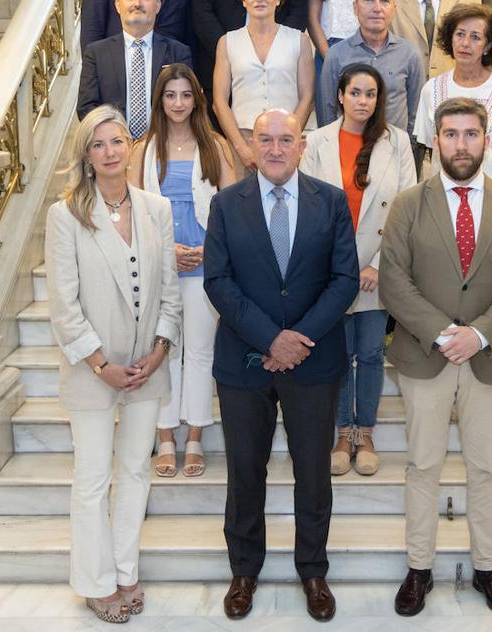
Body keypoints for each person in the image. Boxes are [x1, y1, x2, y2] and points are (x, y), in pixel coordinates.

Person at [378, 97, 492, 619]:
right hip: (426, 355)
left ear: (485, 139)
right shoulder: (408, 204)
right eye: (451, 134)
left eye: (471, 134)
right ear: (436, 139)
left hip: (488, 359)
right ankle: (419, 568)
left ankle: (486, 568)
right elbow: (393, 281)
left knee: (485, 469)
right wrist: (445, 332)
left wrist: (481, 334)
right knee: (423, 465)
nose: (461, 145)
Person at [203, 108, 359, 623]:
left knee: (313, 474)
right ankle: (244, 571)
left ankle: (313, 571)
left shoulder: (331, 202)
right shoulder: (227, 205)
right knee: (245, 473)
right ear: (250, 145)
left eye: (284, 139)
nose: (274, 148)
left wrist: (299, 339)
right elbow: (218, 281)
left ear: (301, 146)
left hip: (314, 362)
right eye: (264, 139)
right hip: (245, 362)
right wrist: (271, 338)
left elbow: (344, 280)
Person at [44, 105, 181, 624]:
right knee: (93, 477)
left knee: (135, 471)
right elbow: (64, 305)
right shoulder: (66, 215)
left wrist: (160, 349)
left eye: (117, 141)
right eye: (98, 144)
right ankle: (95, 582)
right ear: (86, 154)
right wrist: (101, 364)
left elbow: (170, 290)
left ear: (131, 147)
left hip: (148, 367)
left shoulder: (156, 209)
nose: (109, 152)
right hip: (92, 372)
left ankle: (126, 569)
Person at [300, 64, 416, 478]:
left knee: (369, 354)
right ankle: (341, 434)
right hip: (332, 269)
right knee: (336, 355)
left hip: (376, 268)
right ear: (340, 96)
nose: (363, 101)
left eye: (370, 94)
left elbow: (405, 210)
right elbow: (309, 209)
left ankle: (364, 432)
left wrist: (379, 265)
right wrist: (341, 268)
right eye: (356, 93)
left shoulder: (397, 142)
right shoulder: (316, 141)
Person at [126, 64, 238, 477]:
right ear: (160, 100)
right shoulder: (143, 150)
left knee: (201, 351)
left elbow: (232, 208)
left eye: (185, 95)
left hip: (205, 266)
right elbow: (132, 213)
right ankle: (165, 435)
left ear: (197, 100)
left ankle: (194, 435)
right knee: (164, 349)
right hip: (161, 265)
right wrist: (165, 250)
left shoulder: (217, 147)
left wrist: (209, 249)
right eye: (170, 95)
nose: (178, 103)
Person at [213, 0, 314, 172]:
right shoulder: (227, 42)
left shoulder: (299, 40)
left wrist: (291, 139)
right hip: (243, 139)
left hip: (286, 138)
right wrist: (241, 147)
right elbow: (219, 101)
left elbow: (307, 97)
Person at [414, 4, 492, 186]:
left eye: (475, 37)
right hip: (443, 198)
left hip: (491, 202)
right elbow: (431, 148)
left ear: (488, 45)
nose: (465, 43)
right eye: (460, 34)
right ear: (450, 38)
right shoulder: (432, 89)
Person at [77, 0, 194, 128]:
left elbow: (186, 104)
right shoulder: (96, 54)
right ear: (118, 5)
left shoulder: (179, 53)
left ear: (157, 5)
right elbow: (86, 108)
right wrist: (117, 140)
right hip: (114, 148)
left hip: (163, 145)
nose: (137, 3)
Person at [316, 0, 423, 136]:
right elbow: (327, 114)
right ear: (355, 7)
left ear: (395, 9)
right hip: (347, 155)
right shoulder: (336, 55)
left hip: (395, 154)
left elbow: (416, 116)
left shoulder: (410, 55)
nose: (377, 8)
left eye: (385, 1)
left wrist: (408, 151)